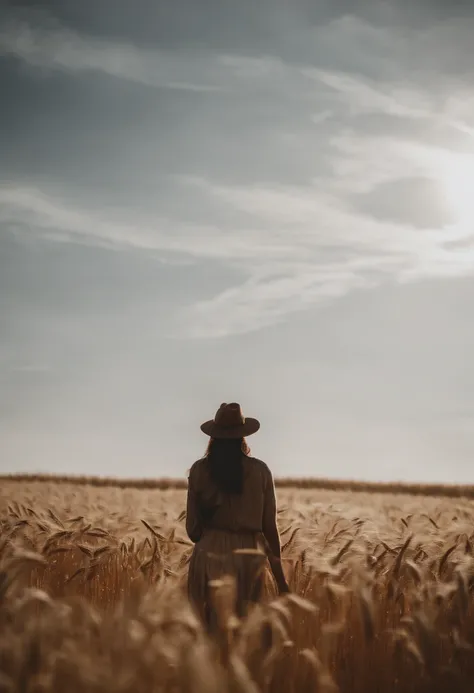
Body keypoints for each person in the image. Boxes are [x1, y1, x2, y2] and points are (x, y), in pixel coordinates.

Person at [185, 402, 289, 626]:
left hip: (209, 554)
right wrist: (281, 581)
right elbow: (269, 528)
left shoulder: (199, 471)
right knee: (245, 634)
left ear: (213, 436)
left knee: (207, 634)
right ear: (243, 436)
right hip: (247, 557)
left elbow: (192, 531)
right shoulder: (261, 471)